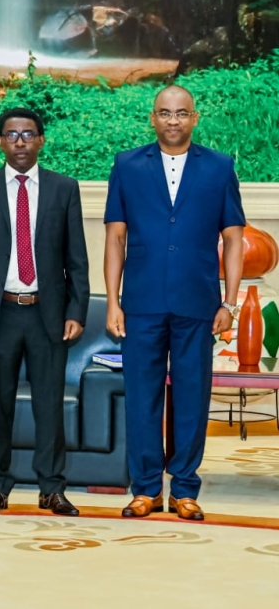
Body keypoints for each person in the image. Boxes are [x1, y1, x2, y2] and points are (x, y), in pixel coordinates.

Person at [105, 85, 244, 521]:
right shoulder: (127, 165)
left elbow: (234, 239)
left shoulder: (220, 167)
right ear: (153, 117)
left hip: (197, 301)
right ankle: (145, 489)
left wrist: (230, 301)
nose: (173, 120)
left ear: (194, 118)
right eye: (164, 113)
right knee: (142, 398)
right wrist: (113, 301)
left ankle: (185, 489)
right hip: (141, 303)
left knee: (191, 396)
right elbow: (115, 237)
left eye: (181, 113)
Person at [0, 108, 89, 516]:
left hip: (47, 313)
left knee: (49, 403)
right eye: (11, 135)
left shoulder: (64, 189)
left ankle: (52, 488)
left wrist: (77, 310)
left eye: (28, 135)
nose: (20, 142)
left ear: (41, 141)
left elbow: (77, 257)